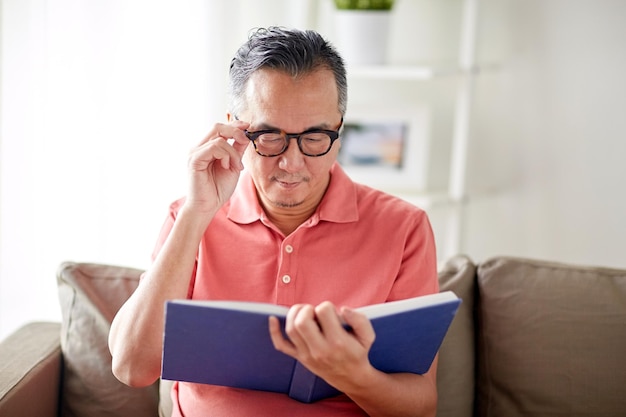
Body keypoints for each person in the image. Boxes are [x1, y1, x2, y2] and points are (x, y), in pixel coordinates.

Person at [109, 26, 439, 417]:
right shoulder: (190, 215)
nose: (292, 163)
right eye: (268, 135)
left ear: (339, 128)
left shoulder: (404, 228)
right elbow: (132, 367)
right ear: (235, 129)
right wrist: (196, 215)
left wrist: (353, 374)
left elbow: (419, 408)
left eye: (315, 136)